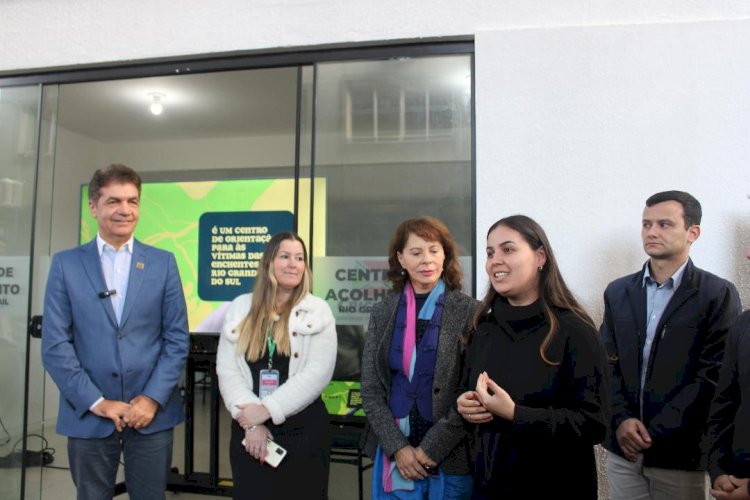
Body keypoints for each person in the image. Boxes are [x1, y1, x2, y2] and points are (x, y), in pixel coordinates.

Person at [41, 164, 189, 500]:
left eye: (132, 201)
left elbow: (176, 338)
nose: (125, 210)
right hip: (88, 413)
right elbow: (55, 344)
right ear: (93, 207)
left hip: (151, 414)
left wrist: (151, 398)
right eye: (113, 201)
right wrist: (98, 402)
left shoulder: (163, 263)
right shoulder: (66, 264)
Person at [601, 190, 741, 500]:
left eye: (664, 224)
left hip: (681, 454)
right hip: (623, 451)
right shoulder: (619, 292)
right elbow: (606, 363)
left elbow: (713, 376)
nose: (651, 232)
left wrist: (654, 431)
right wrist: (621, 419)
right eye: (646, 224)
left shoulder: (716, 294)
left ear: (693, 233)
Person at [456, 214, 608, 499]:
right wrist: (465, 406)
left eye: (508, 249)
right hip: (491, 489)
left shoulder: (575, 330)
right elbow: (467, 390)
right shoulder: (483, 329)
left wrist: (515, 414)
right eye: (490, 253)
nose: (495, 260)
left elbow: (595, 424)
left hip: (556, 487)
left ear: (540, 257)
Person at [361, 216, 477, 499]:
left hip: (451, 456)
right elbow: (371, 389)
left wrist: (430, 449)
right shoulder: (382, 313)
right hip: (394, 455)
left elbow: (471, 391)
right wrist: (399, 448)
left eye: (434, 250)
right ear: (400, 259)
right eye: (416, 252)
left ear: (445, 255)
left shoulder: (470, 311)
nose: (427, 260)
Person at [216, 231, 337, 500]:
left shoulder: (318, 310)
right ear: (268, 262)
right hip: (250, 432)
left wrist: (267, 410)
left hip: (304, 432)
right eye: (285, 256)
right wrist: (252, 424)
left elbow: (317, 374)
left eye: (299, 258)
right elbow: (227, 371)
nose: (293, 264)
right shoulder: (240, 307)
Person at [703, 246, 750, 500]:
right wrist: (718, 470)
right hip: (733, 481)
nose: (748, 254)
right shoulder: (744, 324)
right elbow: (725, 406)